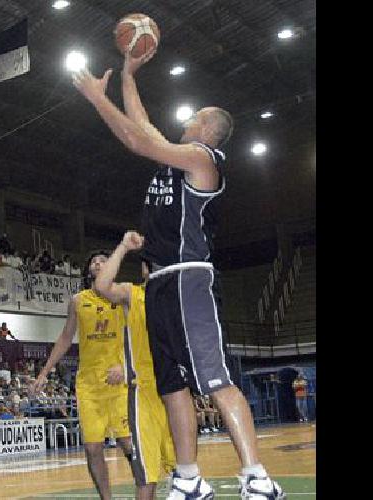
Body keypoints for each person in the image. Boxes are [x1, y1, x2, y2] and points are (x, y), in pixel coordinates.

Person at [72, 45, 284, 498]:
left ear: (208, 128)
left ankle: (257, 476)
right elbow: (144, 127)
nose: (187, 118)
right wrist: (129, 75)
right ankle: (188, 478)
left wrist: (96, 98)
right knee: (172, 387)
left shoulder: (204, 159)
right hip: (159, 284)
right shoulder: (176, 155)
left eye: (195, 115)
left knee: (217, 380)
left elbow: (137, 140)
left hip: (190, 278)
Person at [32, 250, 133, 500]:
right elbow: (66, 338)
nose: (98, 264)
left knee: (129, 445)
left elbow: (136, 335)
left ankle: (145, 492)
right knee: (92, 448)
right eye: (94, 262)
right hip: (89, 385)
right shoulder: (78, 300)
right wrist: (44, 372)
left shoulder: (123, 295)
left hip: (119, 382)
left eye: (103, 261)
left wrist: (124, 366)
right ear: (89, 271)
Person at [93, 231, 178, 500]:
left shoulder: (176, 297)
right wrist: (122, 247)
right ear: (143, 268)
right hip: (144, 395)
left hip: (176, 393)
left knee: (186, 474)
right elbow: (102, 286)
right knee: (146, 478)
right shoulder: (134, 294)